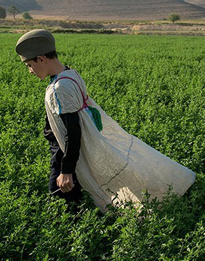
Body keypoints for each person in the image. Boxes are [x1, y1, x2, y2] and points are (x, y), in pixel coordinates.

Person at [15, 29, 195, 212]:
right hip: (70, 149)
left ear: (42, 59)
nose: (30, 71)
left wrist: (66, 169)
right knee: (72, 195)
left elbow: (72, 130)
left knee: (60, 195)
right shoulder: (70, 74)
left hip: (65, 151)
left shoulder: (60, 88)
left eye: (29, 65)